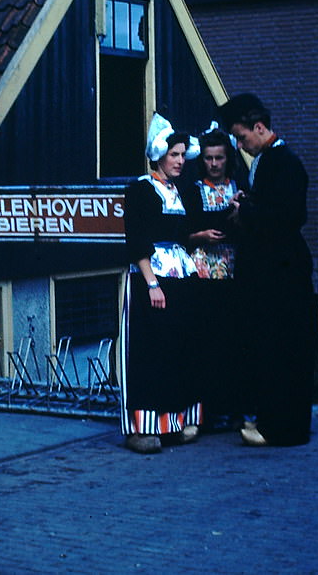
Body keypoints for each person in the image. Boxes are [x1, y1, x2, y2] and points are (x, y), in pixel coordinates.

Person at [219, 93, 318, 447]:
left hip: (282, 273)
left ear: (259, 128)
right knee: (275, 347)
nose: (241, 145)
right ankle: (275, 421)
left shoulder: (285, 163)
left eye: (242, 137)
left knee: (282, 348)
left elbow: (289, 217)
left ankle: (282, 428)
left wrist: (245, 211)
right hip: (277, 270)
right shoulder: (271, 161)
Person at [119, 113, 203, 454]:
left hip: (179, 276)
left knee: (176, 348)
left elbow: (178, 235)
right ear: (158, 155)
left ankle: (175, 422)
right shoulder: (141, 189)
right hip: (151, 279)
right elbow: (136, 238)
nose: (181, 161)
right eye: (174, 155)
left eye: (183, 155)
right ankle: (142, 428)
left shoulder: (176, 191)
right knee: (148, 351)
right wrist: (152, 283)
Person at [183, 123, 243, 426]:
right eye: (208, 158)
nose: (214, 164)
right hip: (204, 277)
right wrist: (202, 235)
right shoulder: (193, 191)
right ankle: (205, 411)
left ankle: (232, 409)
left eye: (219, 158)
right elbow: (186, 231)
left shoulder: (239, 188)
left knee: (232, 342)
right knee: (204, 342)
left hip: (234, 276)